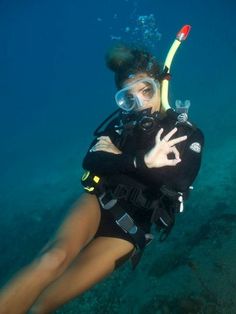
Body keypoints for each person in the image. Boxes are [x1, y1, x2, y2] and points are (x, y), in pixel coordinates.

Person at [0, 43, 204, 314]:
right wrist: (141, 162)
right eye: (129, 97)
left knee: (45, 304)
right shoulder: (121, 123)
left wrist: (119, 160)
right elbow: (92, 160)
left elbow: (177, 183)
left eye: (146, 90)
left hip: (132, 228)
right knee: (51, 259)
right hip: (99, 201)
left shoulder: (186, 134)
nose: (139, 103)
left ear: (160, 85)